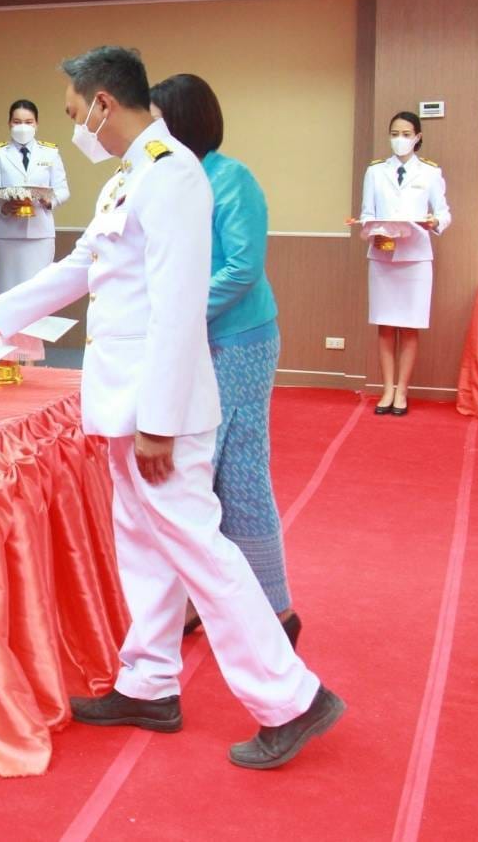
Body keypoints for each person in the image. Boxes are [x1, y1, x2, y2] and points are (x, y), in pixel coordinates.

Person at [0, 47, 343, 769]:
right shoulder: (130, 176)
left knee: (198, 550)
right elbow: (83, 266)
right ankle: (149, 683)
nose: (73, 127)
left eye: (74, 112)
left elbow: (178, 307)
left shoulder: (174, 175)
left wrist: (158, 423)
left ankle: (291, 698)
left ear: (104, 103)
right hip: (126, 400)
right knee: (144, 546)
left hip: (160, 411)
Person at [149, 74, 300, 647]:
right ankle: (199, 601)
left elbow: (241, 269)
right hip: (192, 340)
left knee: (234, 474)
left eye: (158, 121)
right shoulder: (171, 178)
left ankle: (274, 609)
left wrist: (176, 316)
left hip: (236, 341)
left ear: (183, 122)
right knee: (201, 478)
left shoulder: (230, 178)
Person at [354, 111, 451, 416]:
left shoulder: (430, 172)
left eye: (406, 134)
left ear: (417, 137)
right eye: (395, 133)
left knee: (409, 327)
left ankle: (402, 391)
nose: (400, 139)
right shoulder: (375, 171)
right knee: (385, 326)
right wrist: (374, 230)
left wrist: (435, 221)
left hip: (416, 258)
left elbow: (444, 212)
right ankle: (387, 389)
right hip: (383, 255)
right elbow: (367, 213)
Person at [0, 99, 70, 294]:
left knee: (40, 291)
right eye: (17, 122)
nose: (23, 127)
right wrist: (3, 207)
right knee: (8, 290)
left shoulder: (50, 153)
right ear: (9, 123)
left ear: (36, 124)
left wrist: (50, 201)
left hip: (41, 233)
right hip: (8, 234)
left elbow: (63, 190)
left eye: (28, 122)